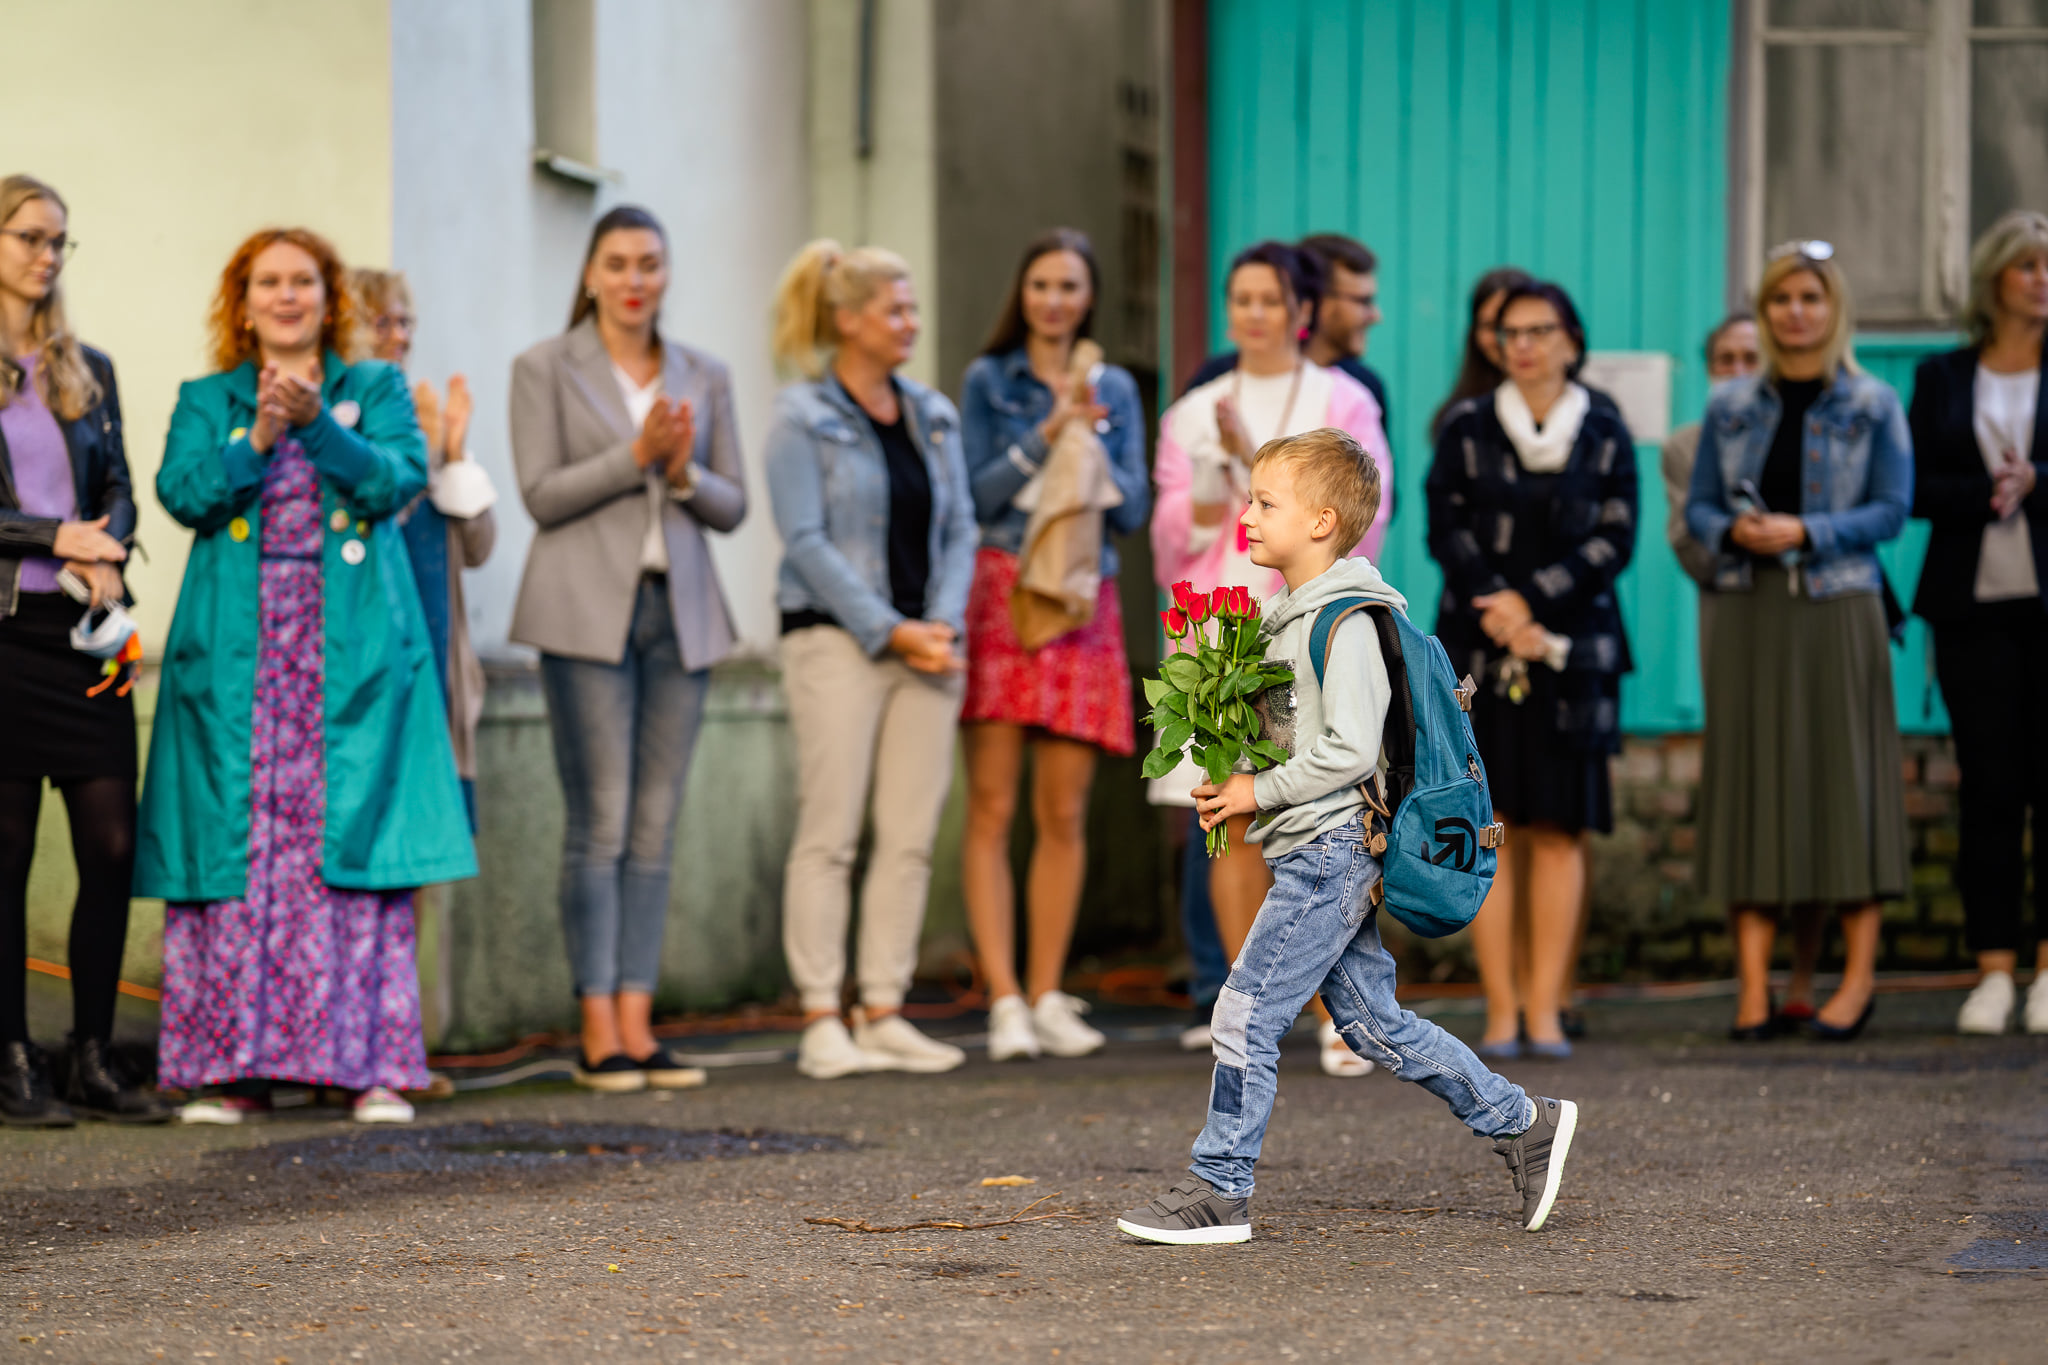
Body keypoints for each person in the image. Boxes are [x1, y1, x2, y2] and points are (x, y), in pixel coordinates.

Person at [1116, 426, 1579, 1245]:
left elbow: (1350, 750)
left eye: (1267, 502)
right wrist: (1242, 780)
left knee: (1244, 1013)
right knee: (1373, 1024)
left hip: (1331, 853)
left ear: (1323, 521)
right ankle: (1523, 1120)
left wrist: (1258, 789)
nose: (1249, 517)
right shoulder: (1290, 619)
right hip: (1317, 848)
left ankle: (1220, 1189)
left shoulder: (1346, 620)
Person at [138, 227, 477, 1124]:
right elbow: (183, 495)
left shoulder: (374, 387)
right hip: (240, 660)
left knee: (350, 853)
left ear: (331, 300)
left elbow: (394, 482)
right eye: (267, 282)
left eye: (303, 282)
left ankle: (365, 1067)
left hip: (351, 654)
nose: (286, 296)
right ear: (241, 303)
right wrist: (257, 434)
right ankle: (230, 1072)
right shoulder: (206, 397)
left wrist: (318, 424)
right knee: (242, 862)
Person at [509, 206, 746, 1094]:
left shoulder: (704, 372)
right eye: (616, 263)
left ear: (667, 271)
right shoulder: (543, 366)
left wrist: (681, 471)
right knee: (601, 821)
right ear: (591, 273)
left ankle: (641, 1029)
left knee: (654, 828)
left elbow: (732, 506)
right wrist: (635, 455)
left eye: (649, 261)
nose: (634, 278)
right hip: (583, 616)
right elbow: (539, 493)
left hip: (677, 613)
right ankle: (597, 1029)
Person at [1151, 240, 1394, 1078]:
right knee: (1227, 808)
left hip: (1306, 617)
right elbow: (1172, 531)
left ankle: (1338, 1009)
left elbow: (1368, 506)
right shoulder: (1195, 406)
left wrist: (1254, 449)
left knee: (1322, 813)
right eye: (1239, 298)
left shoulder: (1342, 397)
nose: (1253, 313)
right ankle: (1242, 999)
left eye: (1269, 299)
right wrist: (1223, 476)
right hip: (1222, 620)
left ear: (1301, 310)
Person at [1687, 240, 1912, 1042]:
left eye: (1810, 297)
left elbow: (1892, 509)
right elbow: (1700, 511)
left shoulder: (1874, 403)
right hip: (1753, 613)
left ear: (1833, 308)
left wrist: (1806, 529)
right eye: (1781, 298)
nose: (1795, 311)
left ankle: (1852, 985)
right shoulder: (1729, 406)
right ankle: (1755, 989)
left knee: (1842, 790)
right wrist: (1737, 529)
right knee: (1755, 791)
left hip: (1838, 609)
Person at [766, 239, 978, 1080]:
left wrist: (940, 623)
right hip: (836, 640)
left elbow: (960, 526)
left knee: (910, 833)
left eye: (913, 307)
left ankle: (884, 1006)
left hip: (929, 644)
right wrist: (889, 628)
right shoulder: (799, 415)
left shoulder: (932, 412)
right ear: (847, 319)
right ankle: (823, 1013)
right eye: (896, 309)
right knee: (831, 830)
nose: (911, 323)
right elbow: (805, 540)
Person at [1427, 280, 1637, 1060]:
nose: (1525, 343)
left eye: (1541, 329)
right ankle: (1502, 1010)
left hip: (1573, 650)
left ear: (1571, 341)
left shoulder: (1605, 426)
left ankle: (1547, 1009)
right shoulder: (1467, 426)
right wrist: (1497, 603)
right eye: (1512, 331)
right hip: (1480, 647)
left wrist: (1534, 602)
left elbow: (1616, 538)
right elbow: (1444, 523)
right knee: (1492, 826)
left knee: (1557, 828)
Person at [957, 229, 1149, 1061]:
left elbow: (1134, 509)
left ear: (1089, 297)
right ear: (1022, 294)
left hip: (1082, 596)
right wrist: (1047, 432)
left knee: (1062, 809)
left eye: (1069, 285)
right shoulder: (987, 380)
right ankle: (1001, 996)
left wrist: (1096, 438)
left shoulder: (1118, 387)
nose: (1054, 299)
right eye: (1040, 284)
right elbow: (973, 491)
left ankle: (1046, 991)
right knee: (994, 804)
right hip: (1003, 585)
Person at [0, 174, 166, 1126]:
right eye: (29, 236)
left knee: (110, 845)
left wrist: (107, 548)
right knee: (6, 855)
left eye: (60, 240)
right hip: (5, 639)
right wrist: (57, 537)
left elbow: (122, 487)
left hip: (85, 640)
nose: (47, 255)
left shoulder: (85, 365)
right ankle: (12, 1056)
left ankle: (92, 1056)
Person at [1908, 209, 2048, 1037]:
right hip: (1971, 611)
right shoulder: (1943, 376)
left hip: (2045, 608)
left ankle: (2046, 973)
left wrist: (2039, 480)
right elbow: (1917, 486)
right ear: (1996, 278)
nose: (2041, 279)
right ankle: (1992, 968)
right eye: (2028, 265)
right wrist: (1987, 493)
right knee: (1990, 789)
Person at [352, 268, 496, 832]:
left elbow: (479, 547)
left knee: (427, 844)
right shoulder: (336, 423)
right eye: (381, 322)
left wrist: (453, 453)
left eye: (405, 322)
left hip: (433, 669)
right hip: (367, 665)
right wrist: (420, 459)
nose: (399, 337)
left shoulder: (423, 417)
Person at [1182, 233, 1392, 436]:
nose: (1375, 315)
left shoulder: (1360, 390)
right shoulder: (1215, 380)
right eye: (1363, 301)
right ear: (1320, 302)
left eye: (1271, 301)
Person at [1430, 267, 1536, 440]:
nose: (1504, 339)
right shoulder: (1460, 419)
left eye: (1517, 326)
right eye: (1491, 326)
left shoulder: (1586, 409)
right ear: (1474, 333)